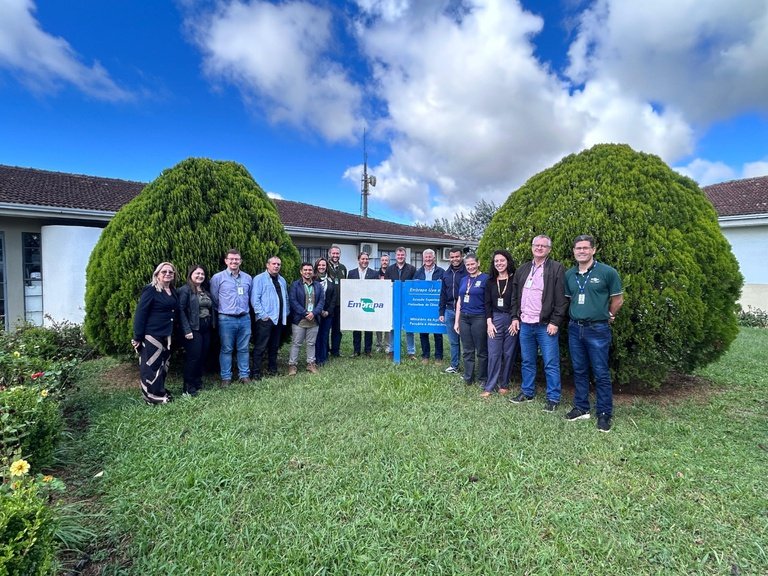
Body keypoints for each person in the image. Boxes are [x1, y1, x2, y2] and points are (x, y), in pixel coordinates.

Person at [564, 235, 624, 432]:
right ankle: (581, 408)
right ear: (573, 251)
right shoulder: (570, 275)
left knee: (600, 372)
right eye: (578, 248)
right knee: (580, 370)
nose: (581, 251)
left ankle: (604, 413)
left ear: (593, 250)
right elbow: (570, 299)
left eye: (585, 248)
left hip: (597, 329)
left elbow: (618, 299)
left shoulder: (607, 272)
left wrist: (608, 314)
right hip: (575, 328)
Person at [509, 235, 568, 411]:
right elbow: (515, 297)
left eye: (544, 246)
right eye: (536, 245)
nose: (539, 248)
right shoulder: (523, 269)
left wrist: (555, 321)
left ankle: (553, 398)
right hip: (525, 323)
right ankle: (527, 392)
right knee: (527, 361)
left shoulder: (556, 269)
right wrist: (514, 317)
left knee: (550, 362)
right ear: (532, 247)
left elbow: (562, 299)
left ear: (549, 250)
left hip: (545, 325)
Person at [132, 262, 178, 404]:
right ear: (157, 275)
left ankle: (159, 391)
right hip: (152, 334)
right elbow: (141, 313)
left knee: (163, 364)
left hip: (167, 334)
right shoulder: (151, 290)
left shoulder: (172, 290)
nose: (167, 274)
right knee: (151, 365)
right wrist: (137, 337)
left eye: (170, 272)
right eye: (164, 272)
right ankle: (151, 396)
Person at [210, 249, 252, 387]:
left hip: (244, 318)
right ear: (226, 261)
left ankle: (244, 375)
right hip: (226, 319)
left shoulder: (247, 278)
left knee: (244, 348)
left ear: (240, 261)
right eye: (231, 259)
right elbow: (214, 299)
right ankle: (226, 378)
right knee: (226, 349)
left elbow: (249, 296)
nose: (234, 261)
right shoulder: (218, 278)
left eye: (237, 259)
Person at [482, 250, 518, 397]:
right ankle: (490, 386)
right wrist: (489, 322)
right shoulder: (490, 281)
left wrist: (515, 319)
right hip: (495, 319)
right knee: (494, 353)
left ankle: (504, 383)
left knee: (508, 353)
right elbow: (487, 304)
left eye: (502, 260)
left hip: (511, 319)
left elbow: (518, 301)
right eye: (496, 261)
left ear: (508, 261)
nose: (499, 263)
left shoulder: (515, 279)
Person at [178, 264, 215, 396]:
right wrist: (187, 330)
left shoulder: (205, 290)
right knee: (194, 357)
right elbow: (180, 310)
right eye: (197, 274)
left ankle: (197, 383)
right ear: (190, 275)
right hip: (193, 329)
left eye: (202, 274)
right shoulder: (185, 290)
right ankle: (188, 388)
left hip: (206, 328)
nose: (200, 276)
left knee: (202, 356)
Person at [251, 256, 289, 379]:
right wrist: (263, 315)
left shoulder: (282, 280)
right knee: (260, 347)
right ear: (267, 265)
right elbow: (255, 299)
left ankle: (272, 369)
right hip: (265, 320)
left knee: (274, 346)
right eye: (274, 264)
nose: (276, 266)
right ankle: (256, 372)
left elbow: (286, 298)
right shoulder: (259, 279)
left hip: (278, 319)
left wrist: (286, 313)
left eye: (278, 264)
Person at [454, 253, 489, 386]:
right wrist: (457, 321)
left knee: (481, 350)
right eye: (467, 265)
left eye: (472, 264)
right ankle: (468, 377)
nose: (470, 267)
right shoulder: (464, 280)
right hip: (464, 317)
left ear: (478, 263)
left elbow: (488, 301)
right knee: (467, 350)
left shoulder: (486, 278)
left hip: (479, 317)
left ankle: (482, 379)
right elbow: (460, 301)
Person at [287, 262, 325, 375]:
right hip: (299, 320)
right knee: (296, 343)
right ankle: (292, 365)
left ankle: (311, 364)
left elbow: (321, 301)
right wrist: (305, 313)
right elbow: (293, 301)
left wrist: (314, 313)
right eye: (305, 270)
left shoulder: (318, 285)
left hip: (313, 319)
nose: (308, 272)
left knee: (311, 343)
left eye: (310, 270)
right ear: (301, 271)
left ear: (312, 272)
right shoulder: (295, 285)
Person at [439, 247, 467, 374]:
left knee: (467, 342)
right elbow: (443, 294)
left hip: (465, 312)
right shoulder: (446, 273)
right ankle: (454, 365)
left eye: (457, 256)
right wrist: (441, 312)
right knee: (453, 341)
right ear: (449, 258)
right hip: (449, 311)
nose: (455, 259)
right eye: (452, 257)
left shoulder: (467, 272)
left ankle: (469, 368)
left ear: (461, 257)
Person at [386, 246, 417, 359]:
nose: (400, 257)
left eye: (402, 255)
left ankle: (411, 352)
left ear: (405, 256)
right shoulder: (389, 269)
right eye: (398, 255)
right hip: (393, 303)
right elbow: (386, 286)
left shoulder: (412, 269)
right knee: (393, 326)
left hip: (407, 302)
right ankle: (392, 350)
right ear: (395, 256)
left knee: (409, 327)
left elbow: (414, 286)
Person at [415, 248, 445, 365]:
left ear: (434, 258)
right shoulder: (418, 272)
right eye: (426, 257)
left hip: (436, 306)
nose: (427, 259)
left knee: (437, 332)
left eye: (430, 257)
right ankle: (425, 355)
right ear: (423, 258)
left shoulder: (441, 271)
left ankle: (438, 357)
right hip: (422, 306)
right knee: (423, 333)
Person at [347, 251, 378, 356]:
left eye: (366, 259)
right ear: (358, 260)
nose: (365, 261)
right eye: (363, 259)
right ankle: (356, 351)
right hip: (356, 304)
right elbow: (349, 289)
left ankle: (368, 350)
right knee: (356, 327)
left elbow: (376, 290)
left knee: (368, 327)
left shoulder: (374, 273)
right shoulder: (351, 273)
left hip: (368, 303)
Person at [313, 258, 335, 366]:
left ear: (327, 267)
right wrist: (319, 310)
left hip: (328, 313)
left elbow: (334, 297)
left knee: (325, 335)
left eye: (324, 265)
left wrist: (328, 311)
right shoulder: (313, 279)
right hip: (316, 312)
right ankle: (317, 358)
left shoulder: (331, 279)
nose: (321, 267)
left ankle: (324, 357)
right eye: (319, 265)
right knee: (317, 335)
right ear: (316, 266)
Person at [327, 245, 347, 358]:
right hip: (328, 304)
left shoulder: (343, 268)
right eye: (333, 253)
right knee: (326, 329)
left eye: (337, 253)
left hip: (339, 304)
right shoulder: (325, 266)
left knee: (337, 329)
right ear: (330, 254)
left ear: (339, 255)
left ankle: (335, 351)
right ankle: (325, 350)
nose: (335, 255)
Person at [375, 254, 391, 353]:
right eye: (383, 260)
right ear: (380, 262)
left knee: (388, 324)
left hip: (389, 301)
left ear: (389, 262)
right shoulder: (375, 274)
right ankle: (378, 344)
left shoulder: (392, 272)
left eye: (386, 260)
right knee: (378, 324)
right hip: (378, 301)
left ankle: (387, 345)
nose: (384, 262)